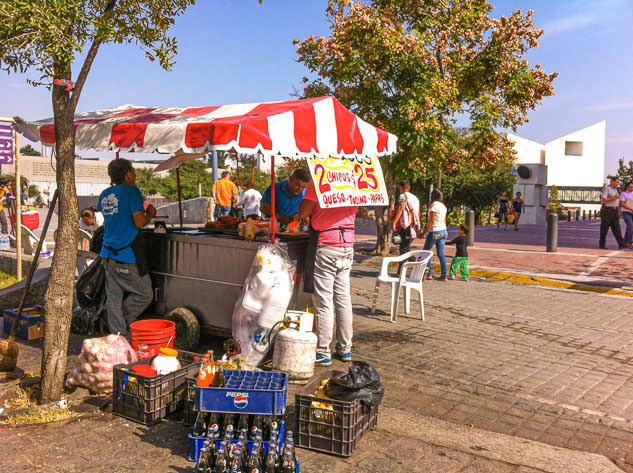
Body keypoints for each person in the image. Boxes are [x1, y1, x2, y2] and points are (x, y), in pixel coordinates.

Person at [298, 180, 357, 366]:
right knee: (343, 299)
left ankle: (323, 351)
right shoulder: (355, 182)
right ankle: (345, 349)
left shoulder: (320, 180)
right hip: (347, 245)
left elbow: (303, 212)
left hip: (326, 245)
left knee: (324, 301)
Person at [99, 159, 156, 338]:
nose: (135, 174)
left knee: (114, 298)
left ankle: (117, 336)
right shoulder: (132, 192)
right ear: (128, 173)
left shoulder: (105, 194)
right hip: (126, 255)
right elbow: (139, 221)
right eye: (133, 171)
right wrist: (150, 215)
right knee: (145, 294)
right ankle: (119, 324)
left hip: (107, 254)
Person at [421, 188, 448, 280]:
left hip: (435, 231)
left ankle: (429, 273)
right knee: (441, 254)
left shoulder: (433, 205)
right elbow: (445, 220)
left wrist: (423, 233)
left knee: (426, 252)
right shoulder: (443, 206)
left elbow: (431, 221)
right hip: (443, 231)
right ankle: (444, 275)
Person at [390, 179, 421, 258]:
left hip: (405, 227)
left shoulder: (403, 196)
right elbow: (418, 213)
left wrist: (394, 222)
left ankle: (416, 263)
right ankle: (401, 269)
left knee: (404, 250)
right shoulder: (415, 198)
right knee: (405, 249)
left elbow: (401, 208)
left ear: (400, 187)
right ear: (409, 187)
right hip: (413, 227)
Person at [599, 177, 627, 250]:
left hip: (614, 211)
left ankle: (622, 244)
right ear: (612, 182)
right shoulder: (606, 189)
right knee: (604, 228)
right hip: (607, 210)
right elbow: (603, 199)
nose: (618, 184)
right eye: (617, 182)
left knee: (617, 228)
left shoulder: (615, 189)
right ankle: (602, 244)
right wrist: (614, 198)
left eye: (618, 182)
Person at [620, 181, 633, 247]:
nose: (631, 188)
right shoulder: (623, 194)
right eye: (630, 187)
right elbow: (622, 204)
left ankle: (626, 242)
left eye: (632, 187)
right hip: (626, 212)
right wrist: (630, 209)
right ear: (626, 187)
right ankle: (629, 242)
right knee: (630, 226)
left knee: (630, 227)